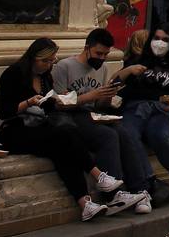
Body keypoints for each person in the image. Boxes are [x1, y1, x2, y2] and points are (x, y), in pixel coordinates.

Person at [0, 38, 128, 221]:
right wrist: (28, 102)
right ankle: (98, 175)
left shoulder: (45, 76)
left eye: (51, 61)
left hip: (39, 125)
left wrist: (58, 99)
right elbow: (4, 111)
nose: (48, 65)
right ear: (33, 58)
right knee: (64, 135)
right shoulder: (13, 74)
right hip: (14, 130)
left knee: (63, 148)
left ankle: (84, 203)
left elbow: (49, 108)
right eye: (45, 61)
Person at [51, 28, 151, 213]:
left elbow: (99, 103)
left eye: (105, 54)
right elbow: (59, 104)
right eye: (98, 53)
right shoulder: (65, 66)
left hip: (93, 113)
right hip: (71, 116)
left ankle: (140, 188)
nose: (102, 58)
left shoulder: (102, 68)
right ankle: (113, 194)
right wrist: (90, 96)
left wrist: (107, 95)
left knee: (122, 132)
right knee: (108, 136)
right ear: (87, 48)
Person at [112, 25, 169, 202]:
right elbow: (114, 81)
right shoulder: (138, 60)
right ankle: (149, 179)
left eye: (165, 40)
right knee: (128, 134)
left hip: (162, 109)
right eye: (156, 38)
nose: (159, 43)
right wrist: (128, 71)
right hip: (136, 107)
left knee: (159, 134)